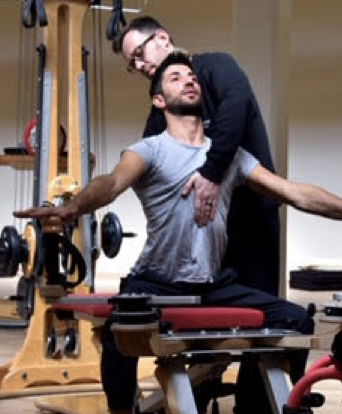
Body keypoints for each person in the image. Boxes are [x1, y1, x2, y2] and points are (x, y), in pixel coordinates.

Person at [15, 52, 342, 414]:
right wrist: (74, 205)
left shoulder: (227, 156)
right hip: (155, 281)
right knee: (119, 342)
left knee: (294, 320)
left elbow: (296, 193)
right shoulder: (148, 150)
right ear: (159, 100)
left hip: (214, 284)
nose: (188, 82)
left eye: (191, 77)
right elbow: (113, 183)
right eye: (175, 78)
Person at [114, 16, 279, 296]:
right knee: (205, 322)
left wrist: (211, 174)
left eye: (139, 55)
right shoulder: (160, 112)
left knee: (256, 317)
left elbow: (236, 105)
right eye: (133, 64)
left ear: (163, 39)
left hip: (250, 218)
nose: (140, 66)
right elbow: (149, 167)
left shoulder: (215, 66)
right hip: (203, 234)